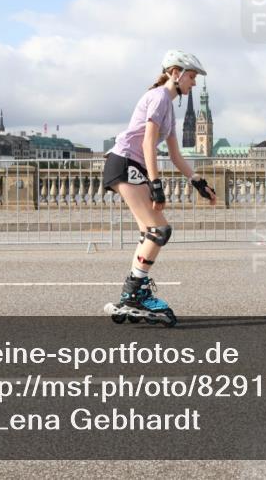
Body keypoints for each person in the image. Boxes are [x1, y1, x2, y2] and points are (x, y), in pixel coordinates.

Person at [101, 50, 217, 326]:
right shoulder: (158, 98)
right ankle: (134, 294)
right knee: (158, 230)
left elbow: (176, 156)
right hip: (125, 161)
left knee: (151, 233)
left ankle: (132, 294)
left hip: (132, 165)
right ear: (175, 73)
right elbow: (146, 143)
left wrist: (197, 181)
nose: (194, 82)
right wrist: (155, 183)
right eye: (191, 76)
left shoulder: (169, 108)